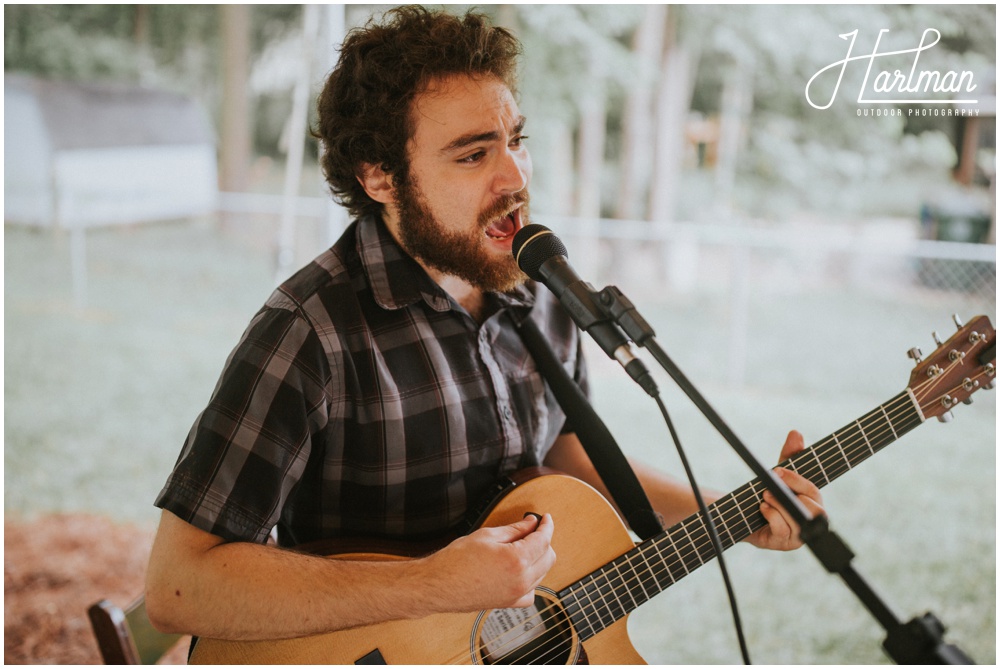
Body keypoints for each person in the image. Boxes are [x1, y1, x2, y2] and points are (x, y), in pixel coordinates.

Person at [145, 5, 823, 645]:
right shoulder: (310, 329)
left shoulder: (539, 286)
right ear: (380, 175)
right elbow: (179, 585)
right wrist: (428, 584)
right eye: (473, 154)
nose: (515, 175)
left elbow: (556, 452)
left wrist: (728, 509)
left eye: (516, 140)